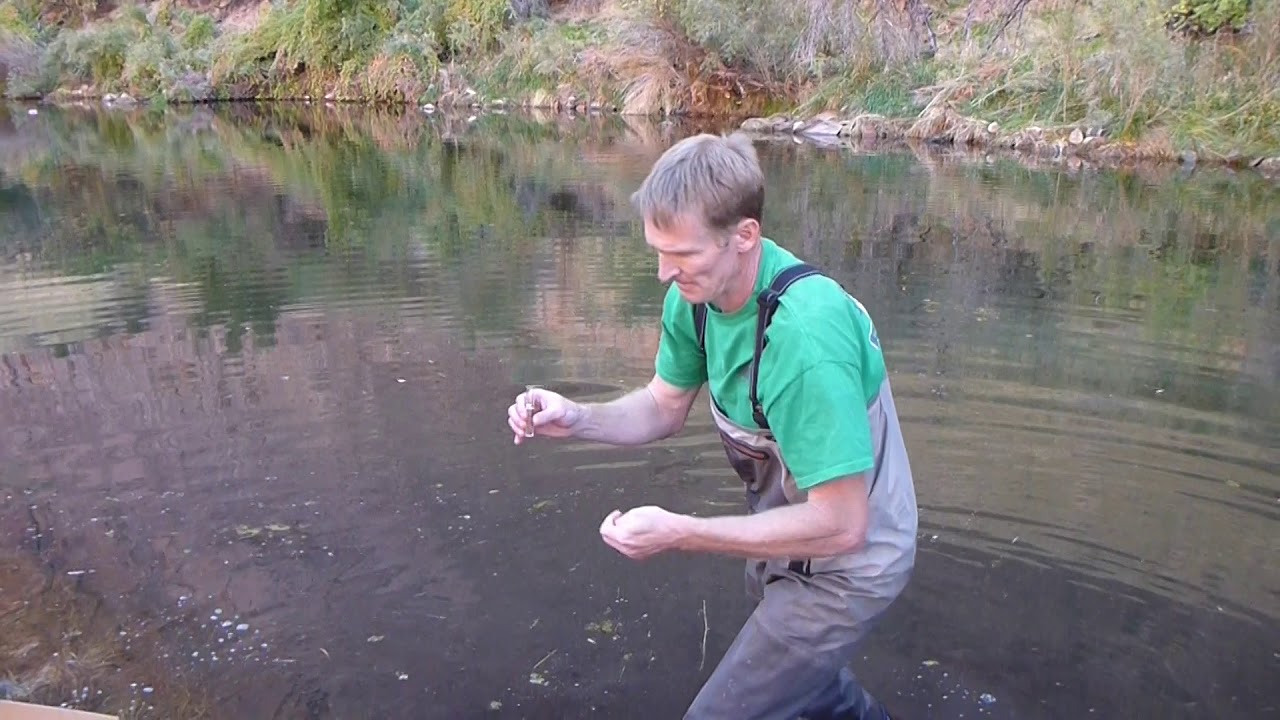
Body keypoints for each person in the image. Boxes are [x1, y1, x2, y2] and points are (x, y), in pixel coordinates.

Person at [505, 132, 918, 720]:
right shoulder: (697, 295)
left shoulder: (803, 340)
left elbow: (845, 525)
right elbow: (662, 406)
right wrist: (576, 418)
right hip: (785, 544)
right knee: (815, 695)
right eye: (657, 250)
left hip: (849, 566)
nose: (662, 274)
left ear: (744, 235)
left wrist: (681, 532)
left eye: (682, 255)